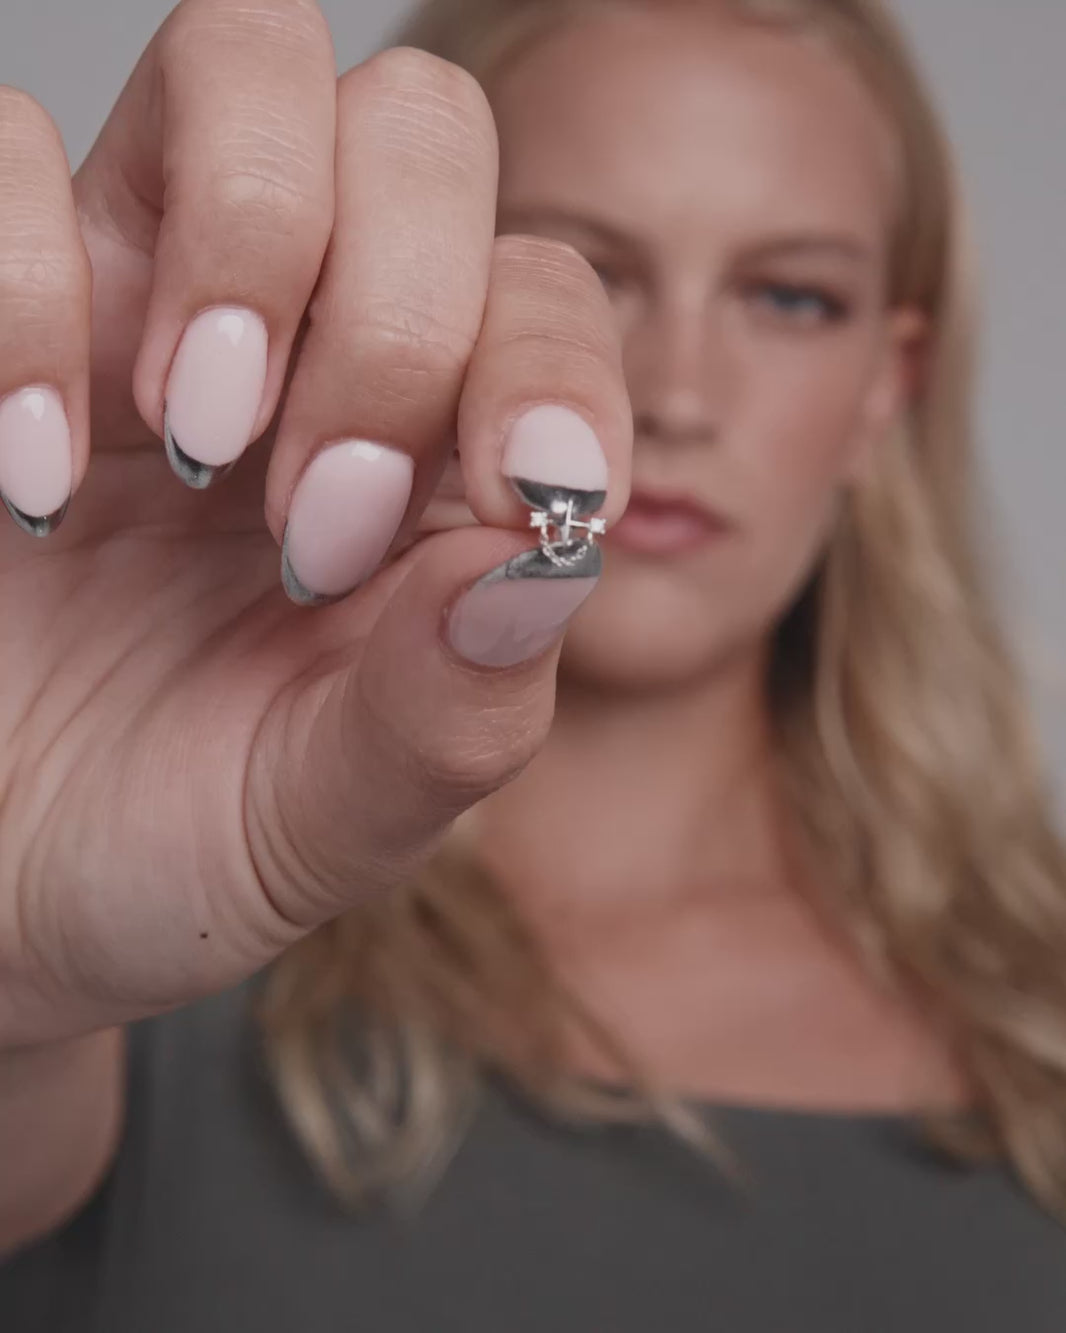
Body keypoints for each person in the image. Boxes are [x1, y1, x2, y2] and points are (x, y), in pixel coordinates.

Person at [3, 0, 1066, 1326]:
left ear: (883, 391)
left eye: (789, 297)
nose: (677, 395)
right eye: (591, 266)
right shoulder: (144, 932)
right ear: (398, 272)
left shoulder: (1038, 1005)